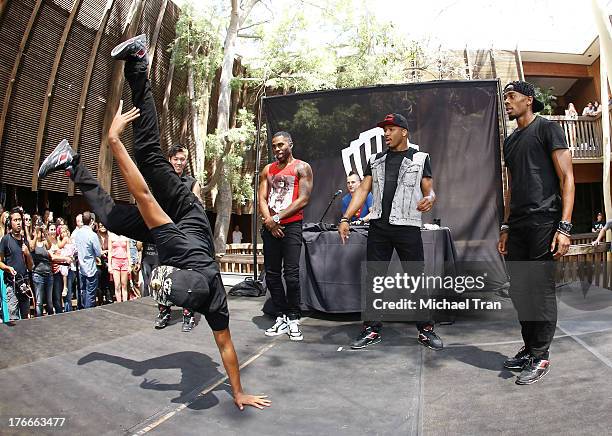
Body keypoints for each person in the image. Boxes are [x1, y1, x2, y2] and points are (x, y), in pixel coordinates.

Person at [37, 33, 269, 410]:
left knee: (110, 216)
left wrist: (238, 391)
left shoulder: (215, 301)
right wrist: (114, 141)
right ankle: (139, 64)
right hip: (180, 213)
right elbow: (144, 195)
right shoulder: (181, 253)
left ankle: (70, 162)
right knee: (146, 154)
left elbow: (226, 346)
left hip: (170, 234)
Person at [338, 113, 443, 351]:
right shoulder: (375, 160)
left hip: (407, 226)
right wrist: (345, 218)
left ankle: (425, 329)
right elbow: (363, 190)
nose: (386, 133)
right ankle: (372, 328)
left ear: (404, 131)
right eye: (384, 130)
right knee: (374, 279)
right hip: (379, 227)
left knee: (415, 278)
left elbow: (430, 190)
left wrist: (430, 199)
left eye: (391, 129)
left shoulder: (420, 157)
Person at [498, 80, 574, 385]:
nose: (507, 103)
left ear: (528, 100)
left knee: (540, 292)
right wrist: (505, 225)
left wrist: (565, 227)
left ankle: (541, 354)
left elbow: (568, 177)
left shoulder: (547, 129)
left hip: (545, 221)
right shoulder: (510, 141)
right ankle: (530, 347)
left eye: (511, 97)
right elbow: (511, 187)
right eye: (505, 98)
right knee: (519, 291)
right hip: (517, 225)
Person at [258, 131, 313, 342]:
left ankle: (293, 317)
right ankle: (280, 315)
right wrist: (269, 222)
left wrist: (278, 218)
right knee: (272, 274)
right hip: (271, 227)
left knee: (291, 274)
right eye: (274, 146)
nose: (277, 149)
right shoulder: (267, 170)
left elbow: (304, 199)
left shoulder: (302, 167)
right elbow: (262, 198)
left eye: (281, 145)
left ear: (290, 144)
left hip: (291, 226)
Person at [153, 144, 202, 332]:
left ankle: (188, 315)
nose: (179, 162)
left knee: (186, 275)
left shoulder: (192, 183)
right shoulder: (162, 181)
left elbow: (197, 209)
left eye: (182, 159)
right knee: (161, 274)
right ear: (170, 160)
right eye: (176, 159)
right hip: (165, 234)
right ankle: (164, 312)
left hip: (185, 235)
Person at [0, 207, 34, 321]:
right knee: (13, 318)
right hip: (12, 284)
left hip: (24, 283)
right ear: (11, 222)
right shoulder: (6, 240)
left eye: (20, 220)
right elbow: (0, 261)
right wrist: (7, 268)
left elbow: (30, 266)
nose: (18, 222)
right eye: (15, 220)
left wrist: (28, 254)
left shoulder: (25, 241)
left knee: (25, 318)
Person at [72, 211, 102, 309]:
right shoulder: (92, 235)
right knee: (90, 293)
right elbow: (98, 252)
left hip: (81, 267)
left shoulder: (77, 233)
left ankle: (83, 310)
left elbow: (75, 249)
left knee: (83, 291)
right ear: (91, 221)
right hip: (90, 268)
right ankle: (88, 312)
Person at [58, 225, 77, 311]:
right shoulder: (70, 240)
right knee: (65, 275)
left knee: (68, 280)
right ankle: (67, 307)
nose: (63, 234)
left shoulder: (67, 239)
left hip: (69, 263)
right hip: (67, 262)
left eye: (64, 232)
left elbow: (60, 245)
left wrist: (58, 239)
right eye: (61, 233)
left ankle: (68, 308)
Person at [108, 231, 131, 302]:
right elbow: (110, 251)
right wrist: (109, 265)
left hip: (124, 261)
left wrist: (129, 265)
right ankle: (119, 302)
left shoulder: (125, 236)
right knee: (117, 285)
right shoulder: (111, 236)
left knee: (124, 284)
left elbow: (128, 251)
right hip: (115, 261)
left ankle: (125, 302)